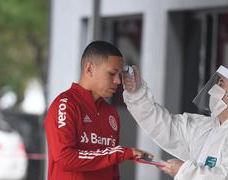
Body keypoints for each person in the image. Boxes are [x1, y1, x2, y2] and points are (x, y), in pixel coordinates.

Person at [123, 65, 228, 180]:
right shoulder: (208, 128)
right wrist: (136, 94)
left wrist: (185, 172)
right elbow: (164, 125)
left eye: (221, 84)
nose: (213, 90)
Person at [45, 41, 150, 180]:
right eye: (112, 73)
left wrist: (118, 154)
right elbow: (65, 158)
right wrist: (121, 153)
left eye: (120, 75)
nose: (118, 81)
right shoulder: (65, 105)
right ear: (89, 69)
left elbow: (112, 171)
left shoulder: (111, 113)